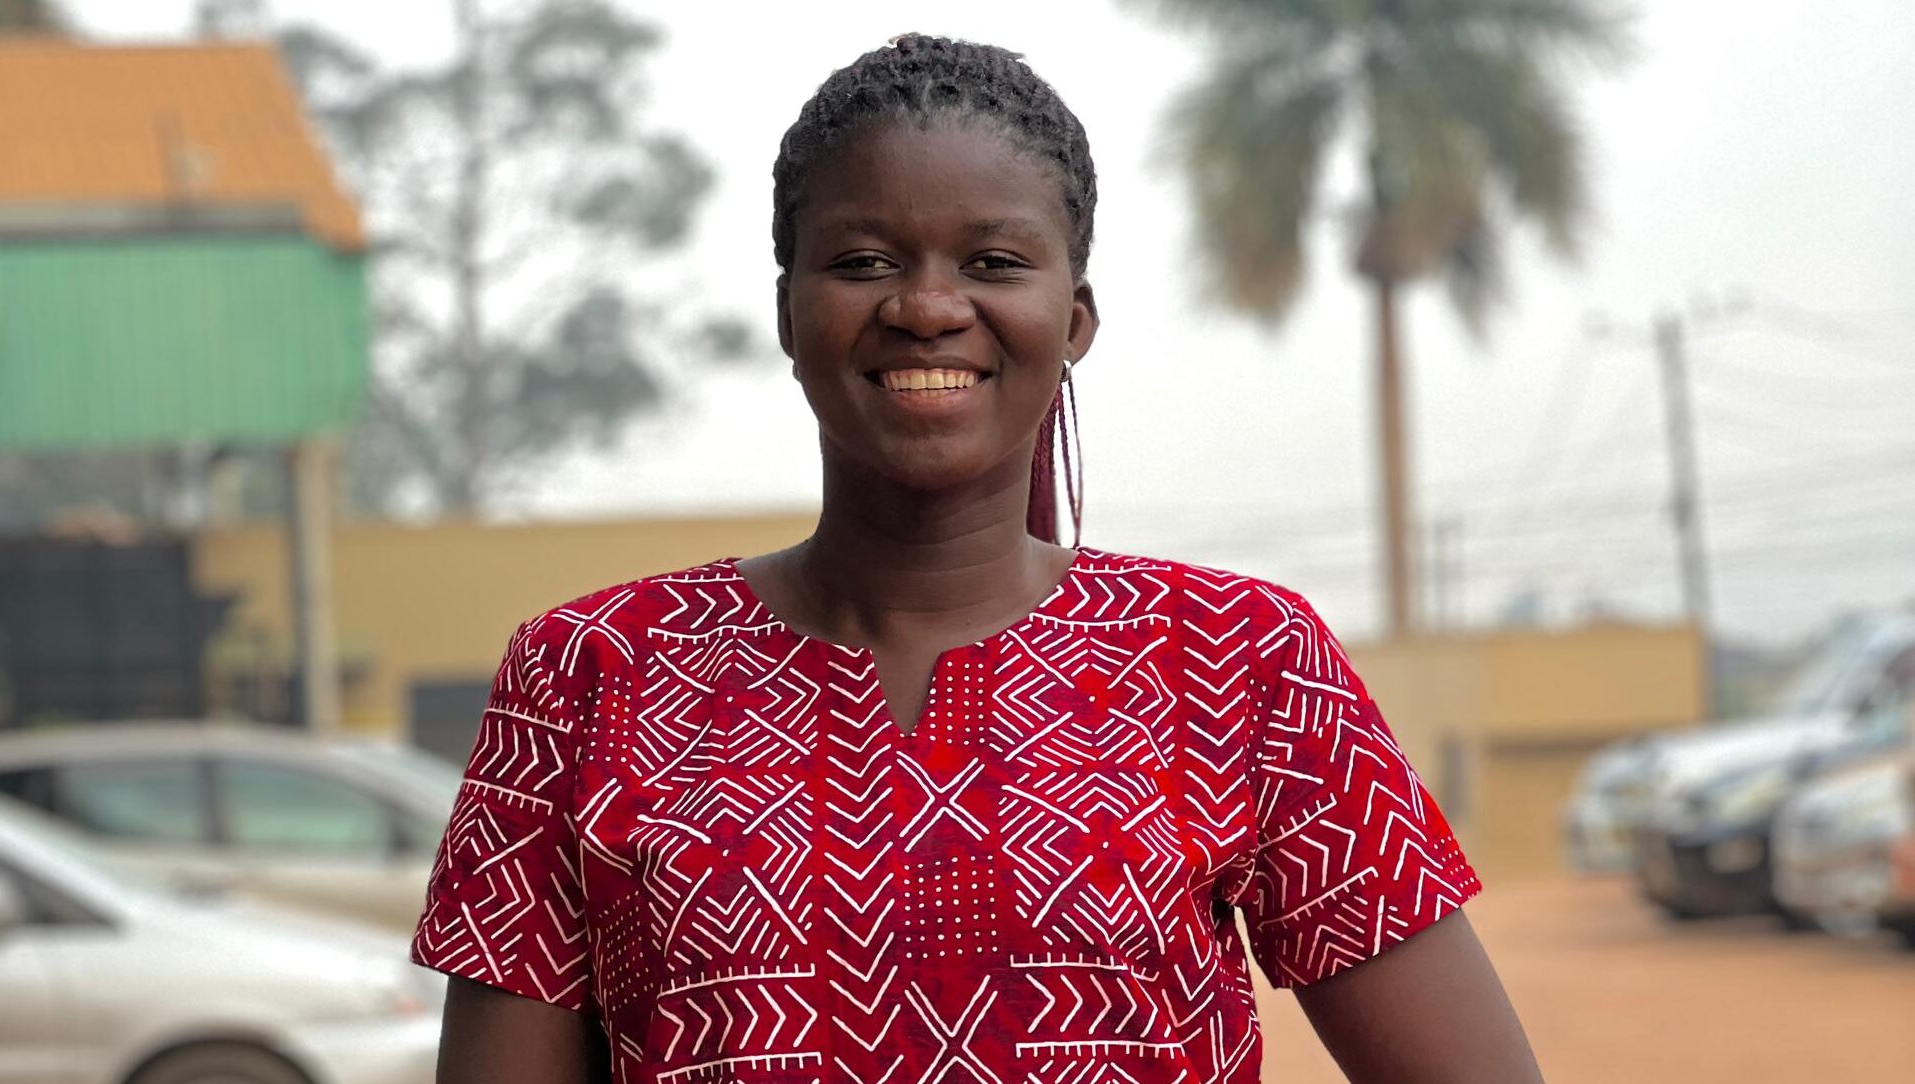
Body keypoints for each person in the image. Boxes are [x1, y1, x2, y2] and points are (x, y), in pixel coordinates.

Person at [411, 33, 1541, 1084]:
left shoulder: (1240, 662)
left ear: (1075, 317)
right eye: (861, 259)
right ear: (787, 311)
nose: (927, 306)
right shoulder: (586, 675)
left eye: (995, 260)